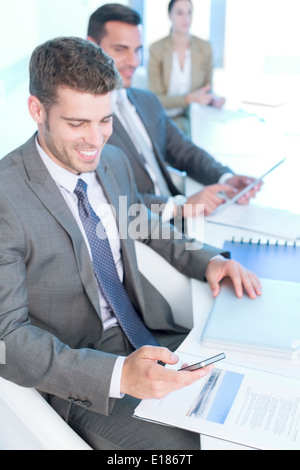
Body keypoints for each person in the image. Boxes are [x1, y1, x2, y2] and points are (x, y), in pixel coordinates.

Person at [0, 36, 262, 451]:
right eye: (77, 123)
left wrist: (207, 261)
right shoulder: (5, 196)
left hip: (152, 336)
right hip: (84, 375)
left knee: (255, 394)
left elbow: (144, 222)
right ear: (37, 110)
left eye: (104, 120)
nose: (95, 140)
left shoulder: (113, 160)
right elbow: (7, 337)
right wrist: (119, 375)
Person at [87, 3, 261, 221]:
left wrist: (226, 178)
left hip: (180, 217)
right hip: (145, 228)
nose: (134, 62)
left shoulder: (146, 101)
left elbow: (184, 151)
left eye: (138, 50)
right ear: (91, 47)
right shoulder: (87, 121)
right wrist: (181, 205)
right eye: (120, 50)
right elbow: (109, 198)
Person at [148, 0, 225, 136]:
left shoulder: (204, 48)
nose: (186, 18)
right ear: (170, 15)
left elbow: (207, 89)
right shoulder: (157, 49)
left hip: (195, 116)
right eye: (180, 13)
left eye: (189, 13)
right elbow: (156, 100)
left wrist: (213, 99)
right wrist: (189, 98)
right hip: (165, 117)